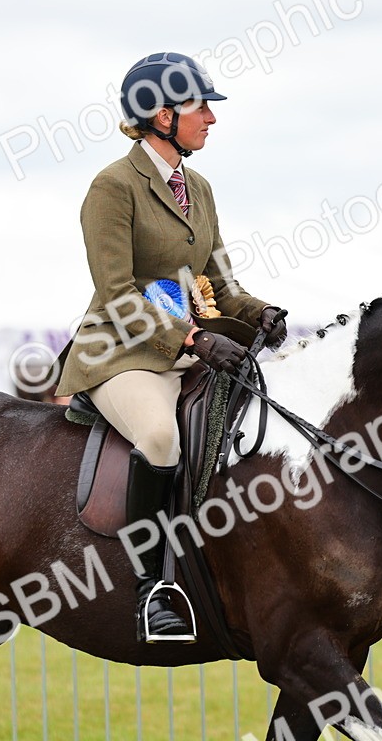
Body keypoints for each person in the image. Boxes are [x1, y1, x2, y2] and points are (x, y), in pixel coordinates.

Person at [54, 52, 287, 643]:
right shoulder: (112, 187)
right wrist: (191, 337)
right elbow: (115, 293)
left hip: (191, 346)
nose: (211, 118)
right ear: (160, 115)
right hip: (122, 352)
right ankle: (151, 590)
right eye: (199, 107)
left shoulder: (199, 187)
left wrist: (261, 313)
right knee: (159, 437)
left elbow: (222, 285)